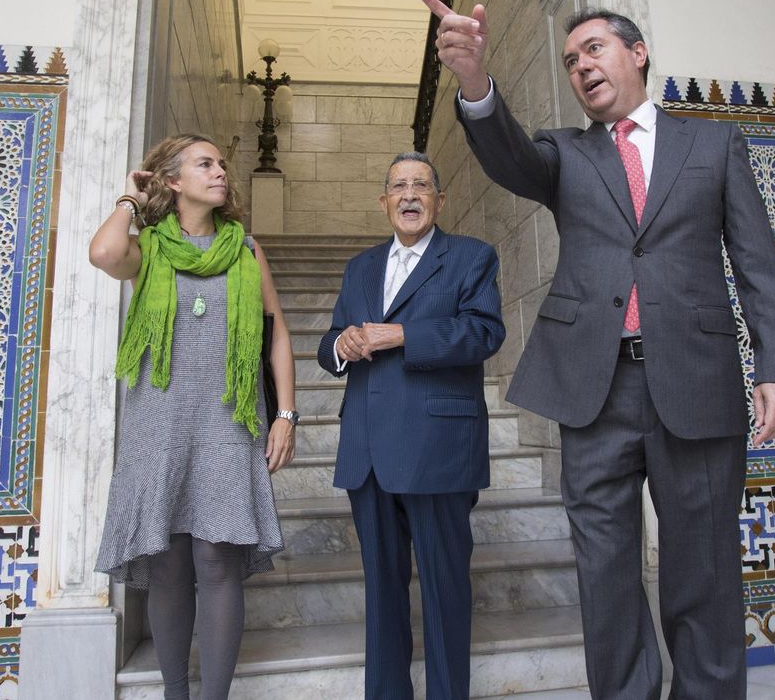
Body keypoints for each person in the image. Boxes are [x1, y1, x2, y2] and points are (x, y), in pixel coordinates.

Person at [418, 0, 775, 698]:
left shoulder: (713, 144)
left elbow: (759, 262)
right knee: (606, 575)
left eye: (593, 49)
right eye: (570, 61)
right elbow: (507, 157)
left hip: (695, 381)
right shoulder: (564, 154)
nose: (581, 67)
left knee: (705, 571)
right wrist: (475, 81)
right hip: (593, 388)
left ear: (637, 52)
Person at [89, 133, 298, 700]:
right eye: (205, 164)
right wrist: (131, 201)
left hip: (228, 424)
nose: (220, 172)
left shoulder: (246, 249)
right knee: (169, 566)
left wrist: (286, 413)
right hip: (160, 425)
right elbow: (105, 253)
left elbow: (276, 330)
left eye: (221, 164)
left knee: (218, 563)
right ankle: (174, 693)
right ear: (174, 181)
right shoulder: (149, 248)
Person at [317, 151, 505, 699]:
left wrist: (399, 336)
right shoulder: (360, 267)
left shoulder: (472, 258)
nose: (409, 195)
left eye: (421, 185)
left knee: (446, 592)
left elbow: (484, 334)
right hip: (367, 453)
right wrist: (344, 345)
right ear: (383, 202)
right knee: (382, 594)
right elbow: (328, 345)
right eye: (398, 186)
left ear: (439, 200)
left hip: (439, 451)